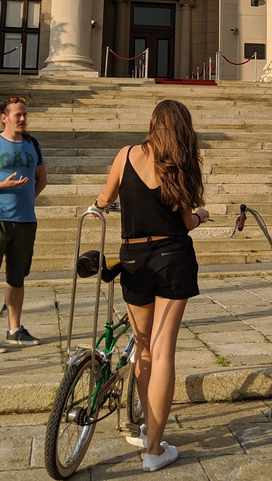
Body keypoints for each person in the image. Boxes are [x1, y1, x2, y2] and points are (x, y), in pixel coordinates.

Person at [92, 100, 208, 472]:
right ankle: (154, 449)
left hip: (133, 258)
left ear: (153, 124)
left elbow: (104, 199)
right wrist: (202, 215)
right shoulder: (181, 165)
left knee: (143, 348)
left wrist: (104, 204)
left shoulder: (125, 155)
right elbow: (187, 221)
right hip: (172, 256)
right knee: (162, 353)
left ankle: (147, 431)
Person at [0, 97, 47, 354]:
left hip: (25, 221)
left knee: (17, 278)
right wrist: (3, 186)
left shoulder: (33, 144)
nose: (23, 119)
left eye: (25, 114)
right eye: (18, 115)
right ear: (5, 117)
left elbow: (41, 179)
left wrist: (25, 201)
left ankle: (14, 330)